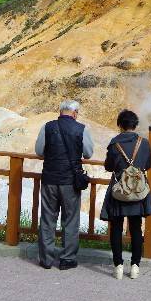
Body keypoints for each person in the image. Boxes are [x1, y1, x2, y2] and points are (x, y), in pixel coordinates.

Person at [35, 100, 94, 270]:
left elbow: (39, 151)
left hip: (49, 180)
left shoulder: (47, 127)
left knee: (47, 219)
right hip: (70, 182)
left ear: (60, 112)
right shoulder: (81, 129)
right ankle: (67, 259)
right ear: (75, 113)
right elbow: (88, 153)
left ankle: (46, 259)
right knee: (70, 220)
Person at [100, 109, 151, 280]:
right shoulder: (143, 143)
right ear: (135, 125)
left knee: (116, 228)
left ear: (120, 125)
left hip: (119, 190)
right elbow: (149, 164)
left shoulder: (114, 143)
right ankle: (135, 266)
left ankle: (118, 266)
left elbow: (108, 166)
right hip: (137, 190)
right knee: (136, 228)